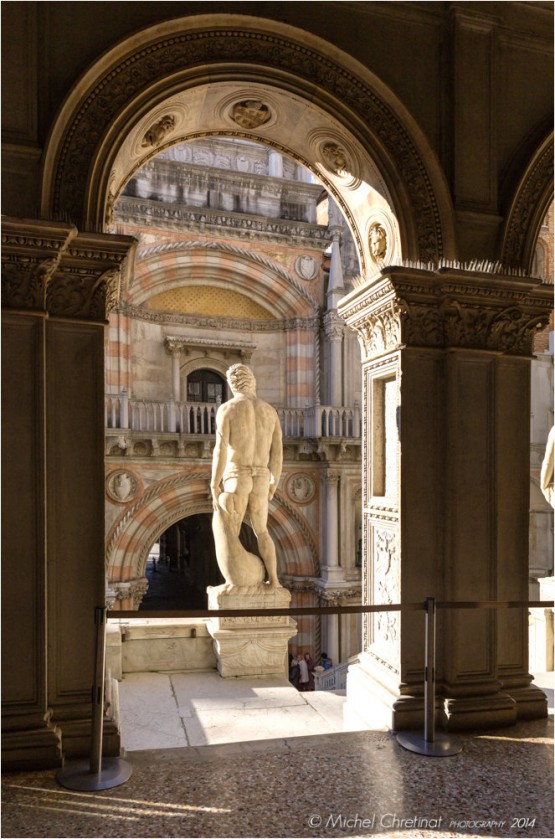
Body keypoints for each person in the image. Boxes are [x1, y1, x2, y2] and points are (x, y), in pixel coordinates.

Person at [210, 364, 283, 587]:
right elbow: (278, 452)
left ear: (232, 384)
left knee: (232, 531)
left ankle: (232, 582)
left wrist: (214, 483)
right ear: (253, 381)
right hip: (262, 476)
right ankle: (276, 581)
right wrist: (274, 482)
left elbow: (220, 449)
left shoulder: (228, 409)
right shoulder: (270, 411)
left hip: (237, 475)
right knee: (262, 531)